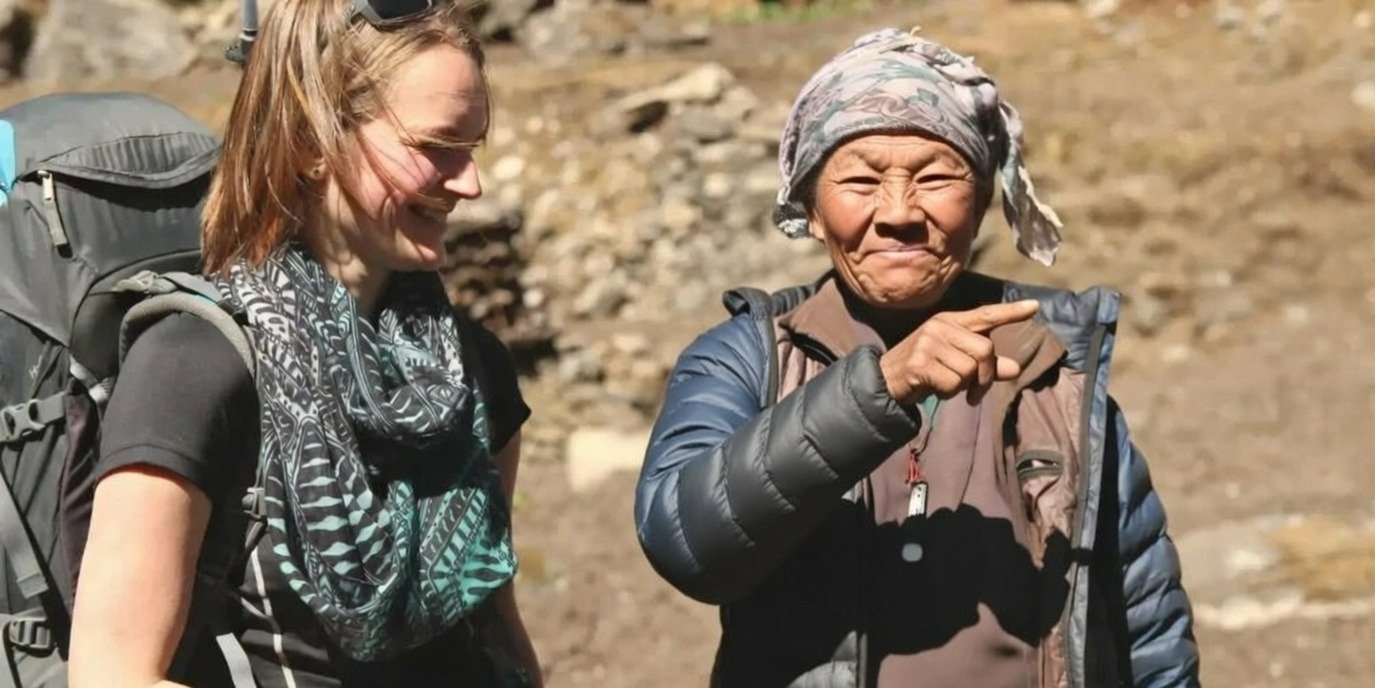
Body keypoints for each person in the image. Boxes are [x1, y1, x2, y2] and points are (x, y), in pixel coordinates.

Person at [635, 29, 1198, 688]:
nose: (899, 213)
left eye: (935, 177)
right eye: (860, 180)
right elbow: (686, 543)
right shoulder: (747, 358)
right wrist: (883, 385)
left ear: (983, 202)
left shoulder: (1053, 367)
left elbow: (1145, 622)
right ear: (811, 210)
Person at [68, 1, 542, 686]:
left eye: (470, 149)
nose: (470, 182)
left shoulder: (471, 371)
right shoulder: (194, 368)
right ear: (311, 144)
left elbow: (495, 625)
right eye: (436, 148)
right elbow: (112, 674)